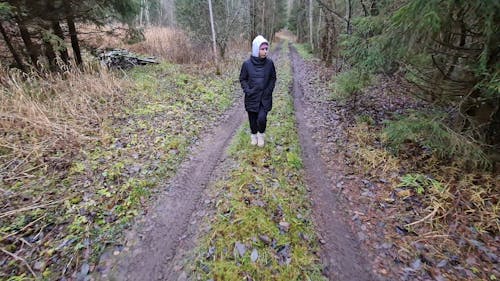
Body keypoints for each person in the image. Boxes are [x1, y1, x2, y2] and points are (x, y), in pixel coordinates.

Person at [239, 35, 277, 147]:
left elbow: (273, 78)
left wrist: (269, 90)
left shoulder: (269, 63)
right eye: (262, 49)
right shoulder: (247, 64)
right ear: (256, 49)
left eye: (266, 49)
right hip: (251, 97)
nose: (265, 51)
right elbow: (242, 79)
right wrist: (247, 90)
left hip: (264, 98)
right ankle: (253, 135)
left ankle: (261, 135)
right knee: (252, 119)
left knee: (261, 118)